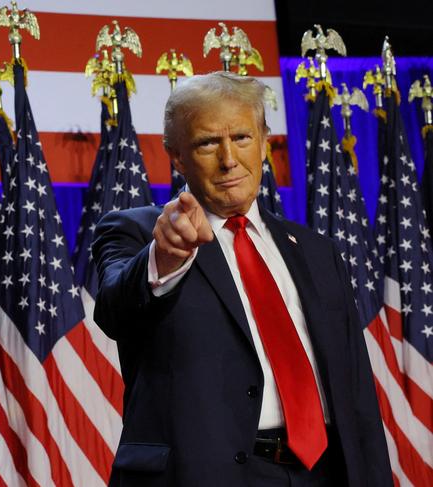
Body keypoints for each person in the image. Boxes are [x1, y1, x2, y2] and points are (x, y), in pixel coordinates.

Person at [92, 71, 392, 486]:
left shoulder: (317, 251)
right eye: (208, 143)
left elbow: (357, 392)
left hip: (323, 473)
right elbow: (114, 310)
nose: (229, 158)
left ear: (265, 142)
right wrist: (167, 257)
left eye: (242, 138)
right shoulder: (139, 233)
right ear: (176, 155)